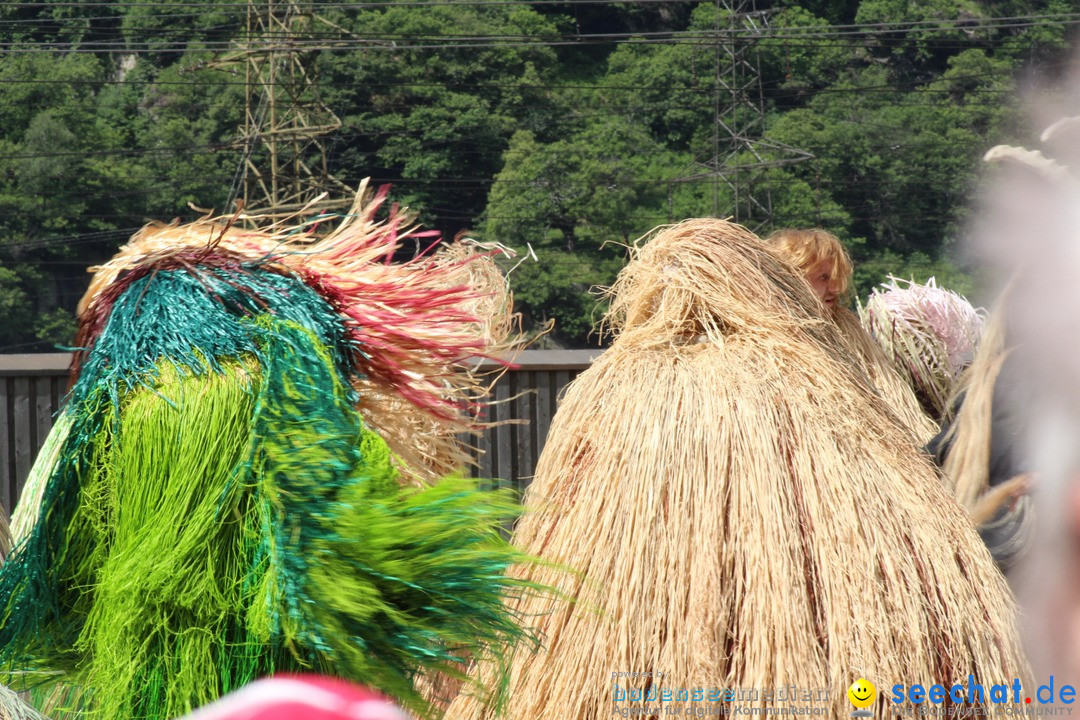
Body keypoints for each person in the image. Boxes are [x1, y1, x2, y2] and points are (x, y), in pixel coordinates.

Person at [765, 228, 937, 441]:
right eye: (823, 277)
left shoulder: (851, 334)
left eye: (837, 277)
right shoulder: (766, 340)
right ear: (791, 277)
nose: (836, 288)